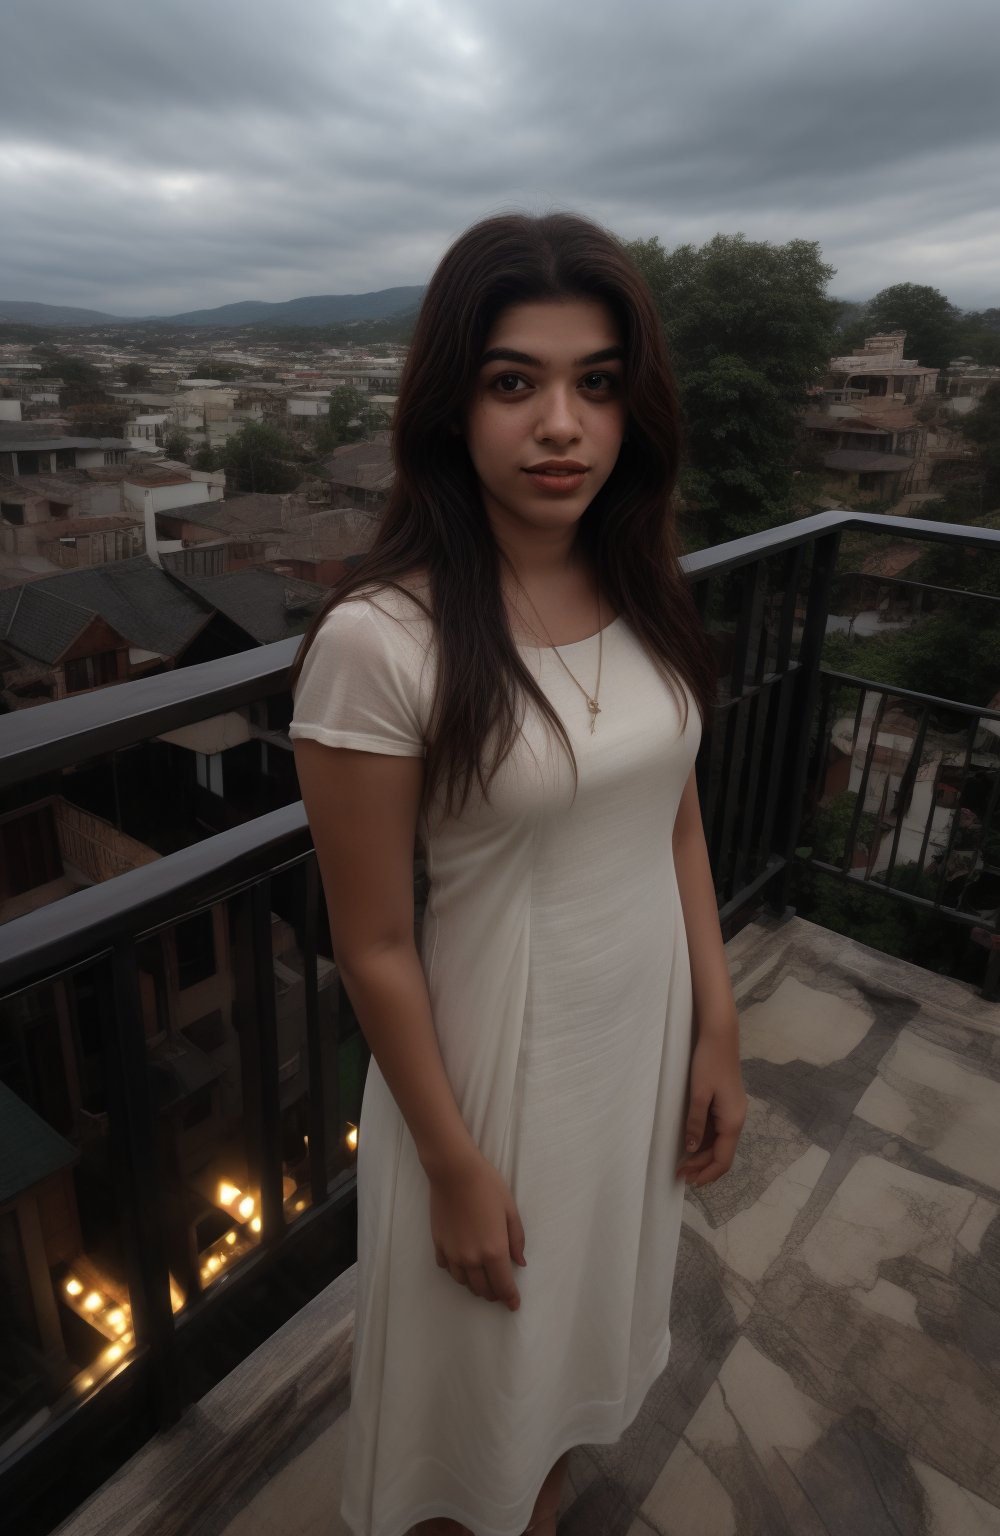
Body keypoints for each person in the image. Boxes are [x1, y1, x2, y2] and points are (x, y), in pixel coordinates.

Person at [288, 210, 748, 1536]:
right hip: (497, 1088)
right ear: (452, 404)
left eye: (597, 383)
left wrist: (716, 1021)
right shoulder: (382, 644)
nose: (563, 424)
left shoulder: (636, 579)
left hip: (633, 1058)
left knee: (557, 1384)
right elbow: (372, 943)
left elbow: (672, 814)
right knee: (472, 1400)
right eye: (515, 382)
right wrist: (449, 1163)